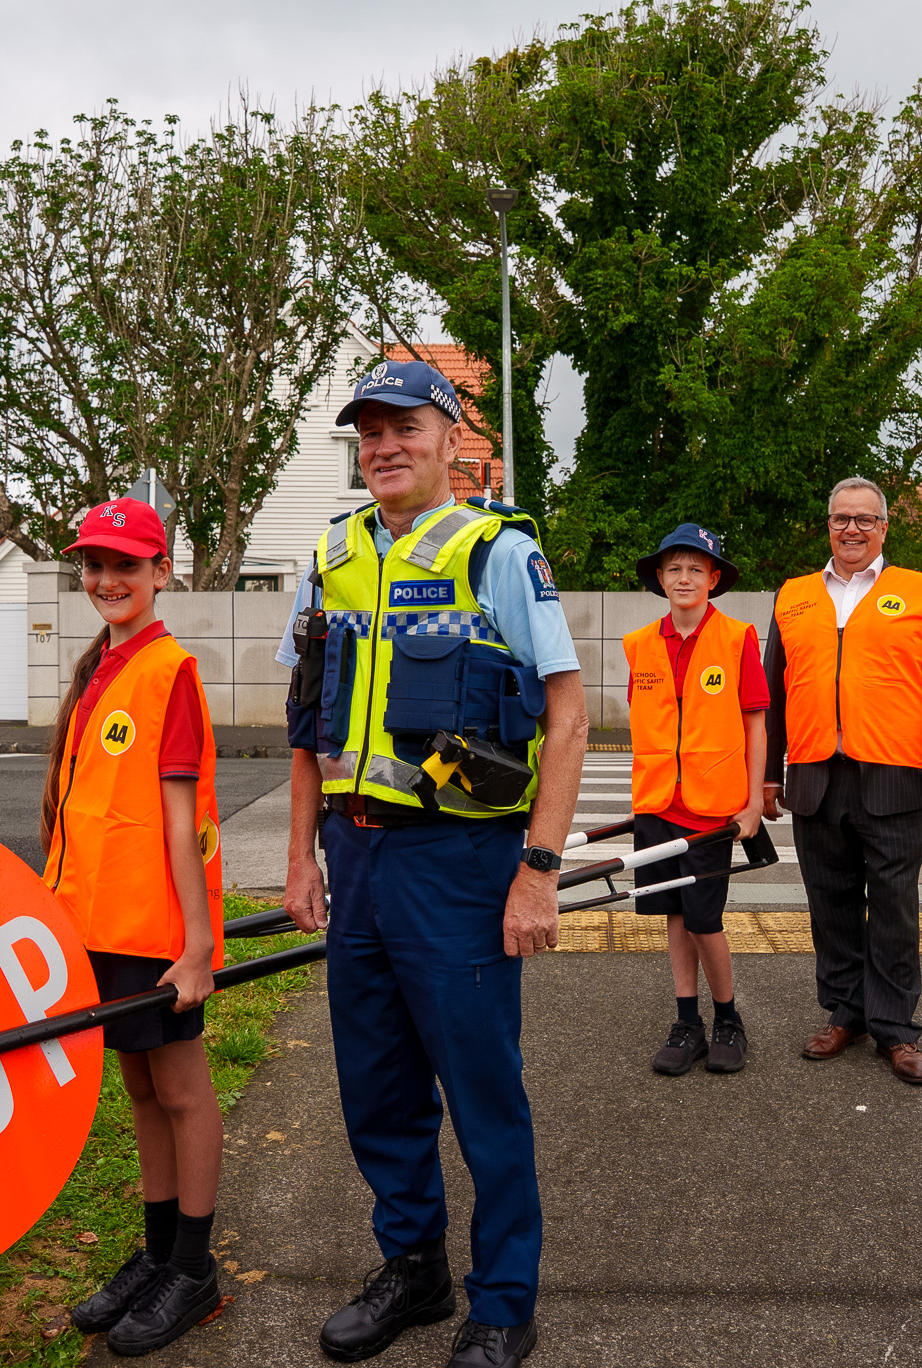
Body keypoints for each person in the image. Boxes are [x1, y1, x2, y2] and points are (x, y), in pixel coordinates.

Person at [276, 359, 587, 1368]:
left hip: (458, 860)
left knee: (481, 1089)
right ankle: (412, 1268)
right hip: (353, 856)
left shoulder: (498, 552)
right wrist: (298, 860)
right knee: (376, 1086)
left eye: (404, 425)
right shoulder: (328, 555)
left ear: (454, 438)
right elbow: (302, 726)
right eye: (367, 429)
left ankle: (502, 1302)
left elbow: (570, 718)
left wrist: (535, 871)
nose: (383, 444)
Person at [42, 497, 229, 1355]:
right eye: (95, 565)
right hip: (98, 926)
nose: (108, 579)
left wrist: (195, 948)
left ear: (161, 571)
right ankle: (157, 1256)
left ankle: (194, 1269)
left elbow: (182, 823)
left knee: (184, 1093)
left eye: (126, 564)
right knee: (142, 1092)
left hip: (156, 932)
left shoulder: (168, 671)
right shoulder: (99, 672)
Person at [761, 477, 922, 1086]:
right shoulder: (794, 596)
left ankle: (897, 1028)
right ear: (827, 525)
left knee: (893, 908)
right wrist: (768, 779)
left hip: (893, 777)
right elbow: (774, 695)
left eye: (864, 520)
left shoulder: (921, 591)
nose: (851, 529)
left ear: (884, 528)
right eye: (840, 519)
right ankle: (846, 1011)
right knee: (829, 905)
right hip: (812, 777)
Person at [621, 524, 769, 1076]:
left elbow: (756, 724)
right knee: (674, 916)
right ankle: (688, 1022)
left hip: (712, 810)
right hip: (656, 804)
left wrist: (753, 801)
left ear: (714, 579)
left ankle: (728, 1017)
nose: (685, 578)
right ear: (660, 579)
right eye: (674, 568)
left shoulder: (737, 638)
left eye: (696, 569)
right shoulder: (638, 645)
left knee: (706, 920)